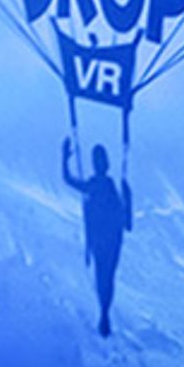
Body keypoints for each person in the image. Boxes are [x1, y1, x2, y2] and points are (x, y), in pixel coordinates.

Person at [62, 137, 133, 337]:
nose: (100, 164)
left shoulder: (107, 188)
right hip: (105, 239)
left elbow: (126, 222)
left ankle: (104, 314)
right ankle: (104, 314)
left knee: (106, 277)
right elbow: (68, 179)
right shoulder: (99, 187)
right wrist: (64, 158)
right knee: (105, 277)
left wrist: (128, 199)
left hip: (108, 239)